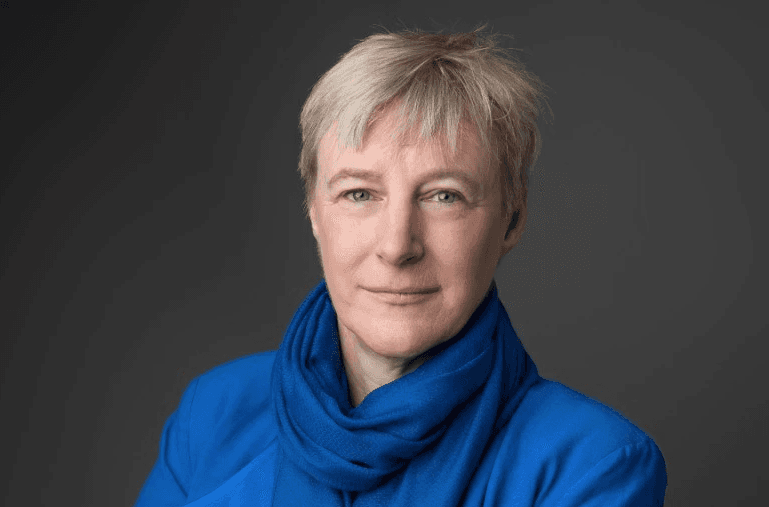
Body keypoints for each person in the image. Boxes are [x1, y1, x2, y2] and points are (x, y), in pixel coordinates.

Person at [134, 26, 667, 506]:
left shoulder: (591, 466)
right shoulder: (213, 415)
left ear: (511, 219)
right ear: (314, 212)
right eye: (359, 193)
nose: (397, 246)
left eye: (444, 196)